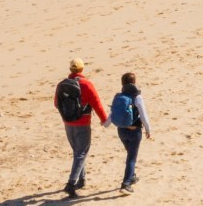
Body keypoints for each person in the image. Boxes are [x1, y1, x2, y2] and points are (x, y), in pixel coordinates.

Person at [58, 58, 108, 197]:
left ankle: (82, 179)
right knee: (81, 153)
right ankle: (71, 184)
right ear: (82, 69)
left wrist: (66, 116)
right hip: (83, 123)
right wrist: (104, 120)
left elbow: (57, 103)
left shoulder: (62, 84)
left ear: (71, 70)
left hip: (68, 124)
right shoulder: (86, 84)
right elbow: (96, 103)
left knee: (77, 152)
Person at [113, 72, 155, 193]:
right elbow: (143, 114)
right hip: (134, 132)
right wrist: (148, 129)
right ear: (134, 82)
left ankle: (132, 176)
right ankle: (126, 184)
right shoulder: (137, 97)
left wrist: (105, 124)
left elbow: (112, 114)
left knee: (129, 154)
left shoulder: (119, 96)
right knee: (131, 158)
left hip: (121, 130)